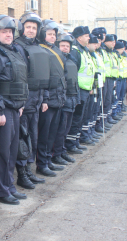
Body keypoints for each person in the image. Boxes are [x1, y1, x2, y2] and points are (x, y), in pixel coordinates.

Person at [0, 15, 28, 205]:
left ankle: (9, 186)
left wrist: (21, 104)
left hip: (15, 108)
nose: (8, 35)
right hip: (3, 109)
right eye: (4, 32)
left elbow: (21, 79)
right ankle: (1, 191)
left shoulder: (14, 51)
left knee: (12, 151)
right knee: (1, 152)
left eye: (10, 32)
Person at [13, 12, 49, 188]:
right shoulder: (17, 47)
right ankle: (21, 173)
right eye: (28, 27)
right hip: (25, 101)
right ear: (22, 28)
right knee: (23, 139)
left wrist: (43, 99)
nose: (31, 30)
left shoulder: (39, 47)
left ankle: (29, 170)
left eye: (34, 28)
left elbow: (42, 76)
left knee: (33, 138)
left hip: (36, 100)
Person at [35, 20, 67, 176]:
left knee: (52, 132)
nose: (53, 37)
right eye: (49, 34)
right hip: (48, 98)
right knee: (44, 133)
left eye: (54, 35)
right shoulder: (41, 50)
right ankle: (42, 163)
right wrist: (45, 99)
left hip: (58, 97)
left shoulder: (56, 50)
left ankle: (48, 160)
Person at [66, 26, 95, 153]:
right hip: (78, 90)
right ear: (79, 37)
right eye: (86, 36)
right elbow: (73, 72)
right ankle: (71, 144)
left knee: (80, 117)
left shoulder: (84, 51)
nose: (89, 38)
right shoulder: (76, 51)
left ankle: (76, 141)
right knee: (76, 118)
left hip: (85, 89)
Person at [53, 33, 80, 161]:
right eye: (62, 45)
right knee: (60, 129)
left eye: (67, 46)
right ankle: (56, 154)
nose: (65, 48)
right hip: (64, 98)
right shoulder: (57, 60)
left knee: (66, 129)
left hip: (72, 97)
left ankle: (62, 150)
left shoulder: (71, 60)